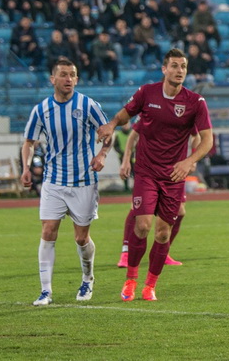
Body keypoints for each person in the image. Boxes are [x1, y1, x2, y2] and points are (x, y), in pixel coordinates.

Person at [96, 48, 214, 302]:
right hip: (147, 172)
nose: (179, 70)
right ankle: (130, 280)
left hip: (174, 175)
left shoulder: (195, 102)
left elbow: (207, 140)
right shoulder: (147, 93)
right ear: (164, 69)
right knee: (142, 225)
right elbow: (125, 114)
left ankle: (150, 285)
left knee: (162, 233)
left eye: (183, 66)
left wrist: (190, 161)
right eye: (174, 66)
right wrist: (111, 125)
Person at [21, 57, 112, 306]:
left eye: (72, 75)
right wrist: (26, 167)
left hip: (84, 180)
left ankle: (87, 279)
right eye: (63, 74)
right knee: (48, 231)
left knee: (81, 238)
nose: (68, 79)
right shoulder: (41, 109)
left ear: (77, 79)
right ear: (53, 79)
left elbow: (107, 132)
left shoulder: (88, 105)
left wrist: (102, 154)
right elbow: (29, 142)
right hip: (53, 180)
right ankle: (45, 291)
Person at [117, 122, 201, 268]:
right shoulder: (150, 111)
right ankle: (126, 253)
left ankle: (162, 252)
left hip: (174, 169)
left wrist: (193, 159)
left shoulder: (185, 112)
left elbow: (196, 135)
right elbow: (134, 135)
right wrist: (126, 160)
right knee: (138, 211)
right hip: (149, 168)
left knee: (180, 211)